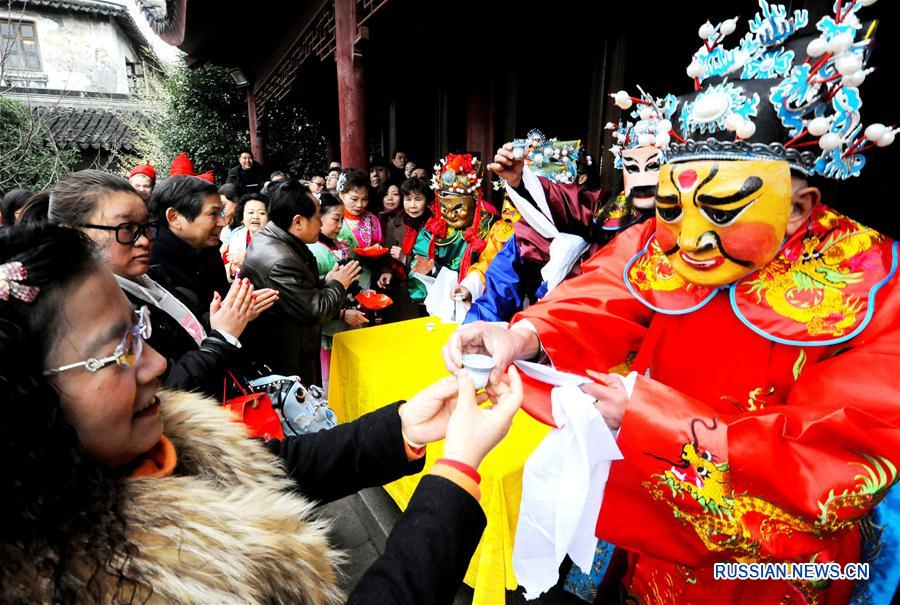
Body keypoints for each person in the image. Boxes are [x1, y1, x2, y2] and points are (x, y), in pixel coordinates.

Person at [445, 3, 900, 603]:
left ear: (799, 207)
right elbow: (607, 286)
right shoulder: (663, 239)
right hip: (651, 517)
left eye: (722, 209)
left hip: (770, 569)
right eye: (671, 209)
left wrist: (655, 421)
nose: (689, 240)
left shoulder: (875, 283)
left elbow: (839, 465)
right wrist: (523, 335)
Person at [0, 221, 524, 605]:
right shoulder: (96, 585)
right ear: (24, 398)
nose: (158, 363)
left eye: (138, 330)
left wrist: (406, 426)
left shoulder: (160, 441)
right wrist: (454, 479)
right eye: (117, 351)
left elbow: (273, 469)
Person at [47, 169, 271, 397]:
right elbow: (162, 388)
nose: (144, 240)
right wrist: (221, 338)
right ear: (72, 236)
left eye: (144, 227)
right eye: (126, 229)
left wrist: (228, 315)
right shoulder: (83, 313)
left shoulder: (150, 278)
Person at [241, 179, 362, 385]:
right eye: (317, 218)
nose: (321, 224)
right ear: (298, 222)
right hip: (285, 356)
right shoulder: (280, 259)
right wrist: (340, 284)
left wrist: (327, 280)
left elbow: (298, 290)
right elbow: (314, 309)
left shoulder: (278, 238)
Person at [408, 153, 495, 320]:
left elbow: (495, 269)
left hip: (480, 309)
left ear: (474, 200)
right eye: (444, 208)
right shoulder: (433, 231)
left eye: (458, 209)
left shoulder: (491, 227)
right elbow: (418, 264)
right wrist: (430, 271)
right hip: (444, 308)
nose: (451, 215)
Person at [148, 175, 232, 321]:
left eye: (222, 213)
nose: (223, 223)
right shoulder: (148, 260)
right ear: (174, 217)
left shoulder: (207, 248)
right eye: (213, 214)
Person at [308, 192, 369, 387]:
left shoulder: (341, 245)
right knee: (334, 382)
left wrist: (363, 293)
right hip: (329, 331)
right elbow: (312, 297)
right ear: (319, 217)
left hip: (349, 323)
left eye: (342, 219)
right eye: (336, 219)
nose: (341, 226)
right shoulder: (314, 251)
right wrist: (342, 314)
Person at [377, 177, 433, 320]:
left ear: (427, 201)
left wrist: (405, 258)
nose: (412, 205)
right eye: (408, 199)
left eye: (418, 199)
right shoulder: (394, 223)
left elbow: (433, 262)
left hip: (427, 289)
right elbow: (388, 255)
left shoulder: (434, 225)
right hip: (401, 290)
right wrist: (386, 272)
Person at [337, 168, 383, 289]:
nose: (359, 205)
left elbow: (378, 249)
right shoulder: (331, 218)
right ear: (341, 195)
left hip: (365, 279)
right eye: (354, 199)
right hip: (336, 280)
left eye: (365, 199)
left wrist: (377, 251)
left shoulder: (372, 220)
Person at [223, 193, 270, 280]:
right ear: (242, 217)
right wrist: (232, 270)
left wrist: (246, 260)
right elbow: (228, 269)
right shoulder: (236, 237)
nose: (255, 217)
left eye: (262, 213)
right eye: (250, 212)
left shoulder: (275, 241)